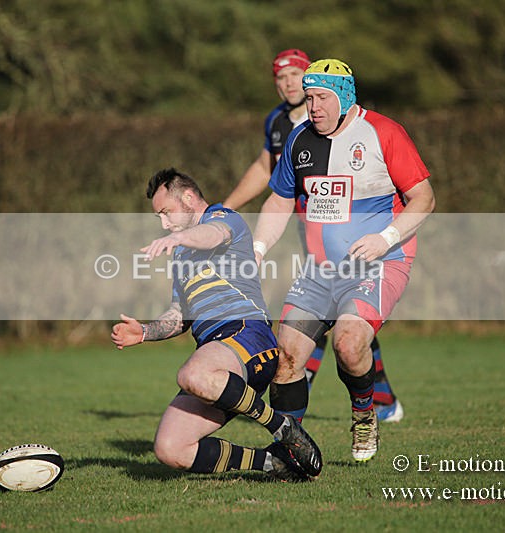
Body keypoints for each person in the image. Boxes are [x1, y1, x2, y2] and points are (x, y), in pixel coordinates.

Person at [251, 59, 435, 462]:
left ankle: (365, 414)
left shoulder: (383, 133)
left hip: (380, 262)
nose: (312, 106)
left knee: (349, 345)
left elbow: (424, 198)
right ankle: (289, 448)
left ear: (345, 96)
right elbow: (280, 201)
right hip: (320, 269)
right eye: (310, 97)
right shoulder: (300, 140)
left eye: (321, 97)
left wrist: (384, 238)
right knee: (287, 355)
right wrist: (259, 250)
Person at [223, 49, 404, 424]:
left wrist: (386, 234)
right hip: (312, 240)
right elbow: (266, 172)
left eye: (295, 75)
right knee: (336, 329)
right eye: (281, 76)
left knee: (346, 331)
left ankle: (368, 400)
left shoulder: (348, 125)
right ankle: (365, 400)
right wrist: (226, 209)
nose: (288, 83)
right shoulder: (279, 124)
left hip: (359, 246)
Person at [112, 168, 322, 481]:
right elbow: (179, 315)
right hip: (220, 361)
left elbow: (214, 234)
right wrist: (144, 332)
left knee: (192, 374)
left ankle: (281, 425)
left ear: (187, 197)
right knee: (170, 448)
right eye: (159, 217)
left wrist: (180, 236)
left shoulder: (224, 218)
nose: (164, 223)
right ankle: (274, 463)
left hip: (247, 335)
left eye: (166, 212)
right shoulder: (181, 254)